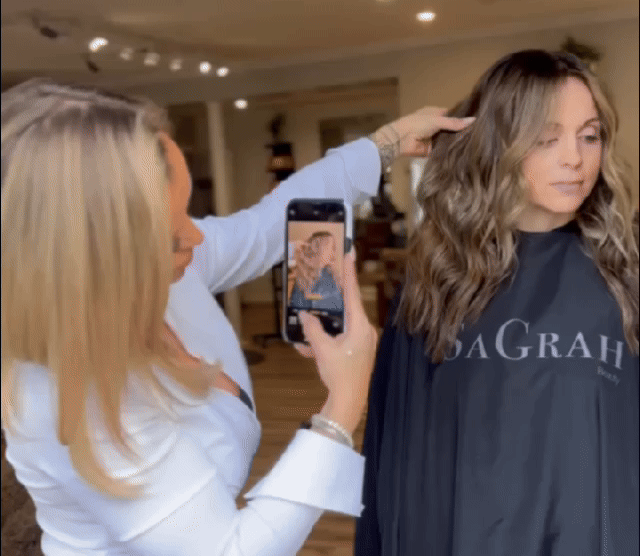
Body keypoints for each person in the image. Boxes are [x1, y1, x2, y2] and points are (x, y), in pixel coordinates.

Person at [0, 78, 473, 556]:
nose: (196, 238)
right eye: (170, 235)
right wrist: (343, 404)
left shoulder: (165, 273)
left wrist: (388, 142)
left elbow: (266, 224)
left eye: (187, 213)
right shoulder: (67, 399)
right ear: (90, 261)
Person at [355, 50, 639, 556]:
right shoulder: (437, 280)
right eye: (547, 138)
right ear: (500, 143)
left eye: (589, 136)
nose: (574, 158)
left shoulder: (624, 274)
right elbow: (398, 456)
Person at [290, 231, 344, 311]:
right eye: (332, 248)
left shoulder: (329, 273)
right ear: (319, 250)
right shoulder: (304, 276)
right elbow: (301, 300)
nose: (334, 253)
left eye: (334, 248)